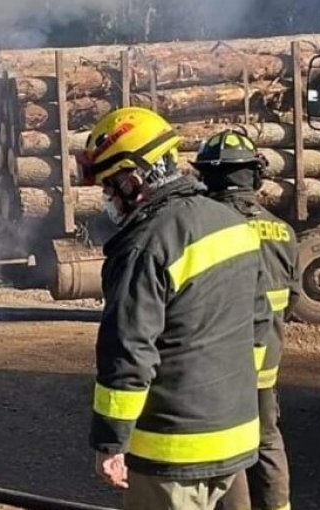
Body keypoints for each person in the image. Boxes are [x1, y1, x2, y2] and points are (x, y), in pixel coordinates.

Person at [79, 107, 272, 510]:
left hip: (172, 452)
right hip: (237, 438)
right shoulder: (234, 225)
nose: (108, 200)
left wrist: (111, 441)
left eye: (110, 188)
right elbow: (258, 326)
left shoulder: (145, 246)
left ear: (133, 181)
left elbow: (128, 351)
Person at [193, 130, 298, 510]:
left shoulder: (209, 228)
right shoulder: (283, 231)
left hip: (223, 363)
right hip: (266, 362)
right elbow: (291, 300)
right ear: (255, 177)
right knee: (268, 438)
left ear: (206, 177)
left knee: (224, 446)